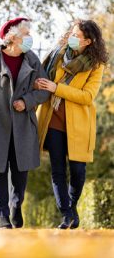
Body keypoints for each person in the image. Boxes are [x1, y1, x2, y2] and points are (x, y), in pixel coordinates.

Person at [0, 17, 50, 229]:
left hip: (22, 122)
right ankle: (3, 216)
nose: (30, 38)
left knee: (21, 171)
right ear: (12, 38)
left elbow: (44, 90)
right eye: (26, 34)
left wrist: (27, 101)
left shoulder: (31, 59)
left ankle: (16, 206)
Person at [35, 19, 108, 229]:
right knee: (58, 170)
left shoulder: (96, 65)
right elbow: (41, 78)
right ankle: (66, 215)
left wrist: (55, 88)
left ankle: (72, 206)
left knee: (78, 172)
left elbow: (87, 96)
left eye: (77, 36)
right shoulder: (57, 56)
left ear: (88, 41)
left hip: (78, 126)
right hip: (53, 120)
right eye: (72, 33)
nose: (72, 37)